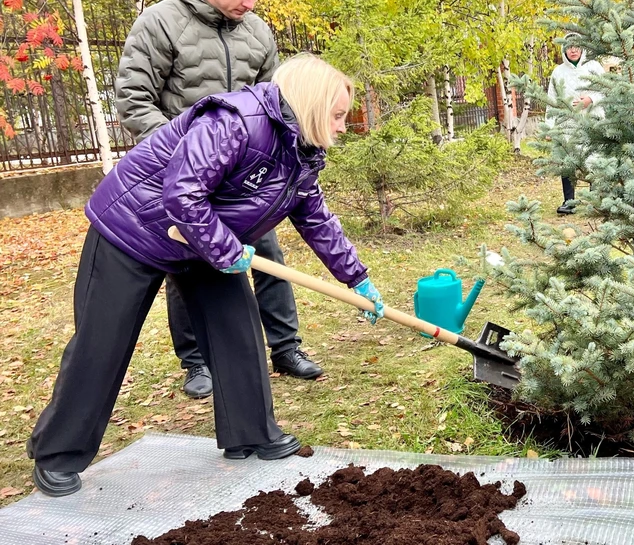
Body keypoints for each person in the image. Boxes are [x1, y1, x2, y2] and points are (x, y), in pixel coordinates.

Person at [27, 54, 385, 497]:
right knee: (103, 342)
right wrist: (225, 248)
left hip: (205, 237)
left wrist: (357, 279)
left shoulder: (301, 153)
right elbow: (182, 193)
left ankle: (250, 434)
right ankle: (57, 455)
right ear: (312, 106)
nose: (342, 127)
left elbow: (317, 220)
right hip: (134, 226)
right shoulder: (235, 122)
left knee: (236, 329)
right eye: (337, 116)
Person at [115, 0, 323, 399]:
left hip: (247, 177)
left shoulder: (257, 32)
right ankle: (196, 363)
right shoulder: (161, 24)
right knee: (187, 265)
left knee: (268, 256)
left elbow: (276, 103)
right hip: (184, 175)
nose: (249, 4)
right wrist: (187, 152)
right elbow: (134, 100)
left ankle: (286, 347)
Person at [546, 34, 605, 215]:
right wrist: (550, 127)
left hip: (591, 119)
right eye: (569, 47)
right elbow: (551, 100)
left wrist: (590, 99)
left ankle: (595, 201)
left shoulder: (594, 67)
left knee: (594, 159)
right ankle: (569, 202)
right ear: (564, 49)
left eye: (576, 46)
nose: (573, 50)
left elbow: (606, 89)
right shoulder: (558, 72)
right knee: (568, 160)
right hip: (568, 123)